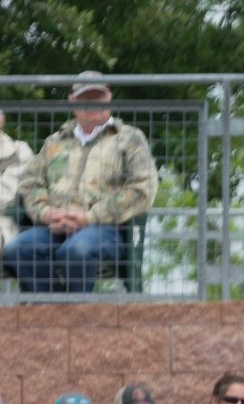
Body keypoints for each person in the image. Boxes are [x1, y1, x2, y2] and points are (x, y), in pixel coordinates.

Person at [1, 75, 157, 295]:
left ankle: (76, 316)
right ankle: (53, 312)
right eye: (85, 97)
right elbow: (31, 184)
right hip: (54, 228)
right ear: (73, 101)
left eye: (97, 97)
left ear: (109, 98)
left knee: (76, 251)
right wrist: (47, 214)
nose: (91, 103)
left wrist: (89, 217)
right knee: (18, 250)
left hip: (105, 229)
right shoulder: (54, 142)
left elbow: (142, 190)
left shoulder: (130, 139)